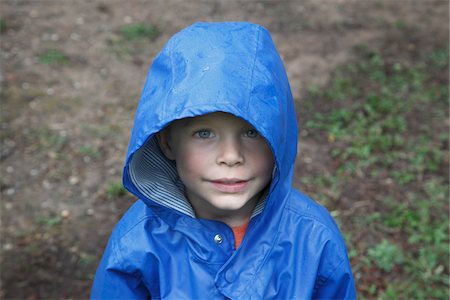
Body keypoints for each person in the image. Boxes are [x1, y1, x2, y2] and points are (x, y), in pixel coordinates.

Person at [91, 22, 356, 299]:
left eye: (252, 132)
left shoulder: (313, 238)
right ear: (167, 142)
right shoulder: (138, 242)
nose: (231, 156)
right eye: (204, 133)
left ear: (278, 137)